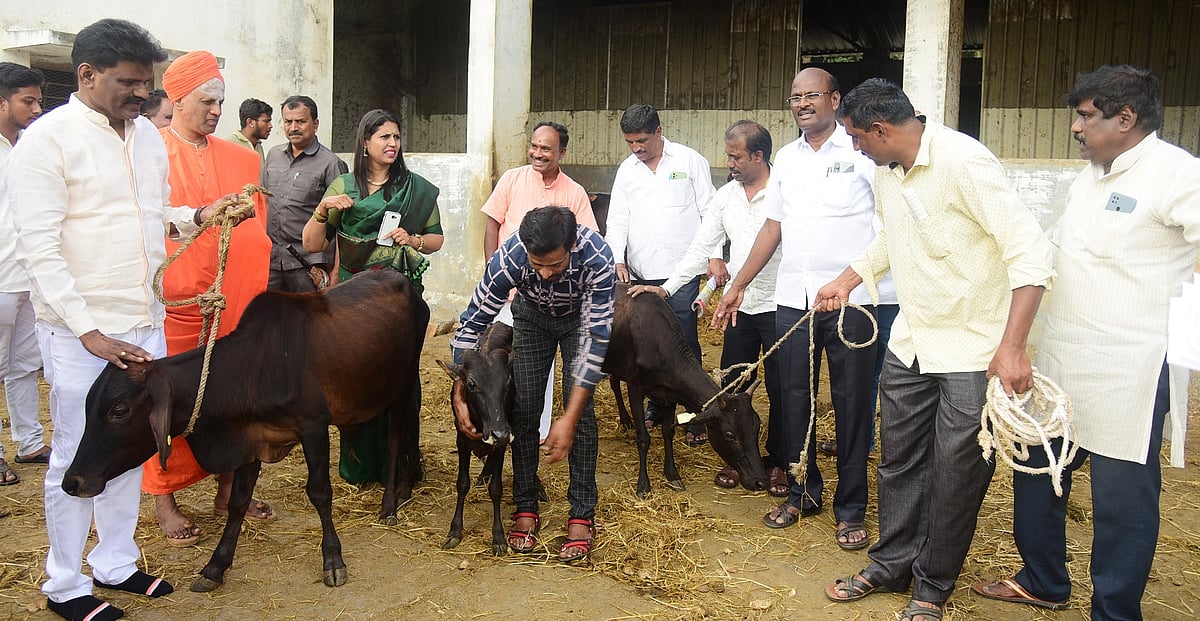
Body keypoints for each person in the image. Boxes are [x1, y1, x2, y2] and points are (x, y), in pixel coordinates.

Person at [4, 18, 247, 621]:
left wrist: (198, 216)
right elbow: (40, 247)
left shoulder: (144, 138)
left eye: (148, 84)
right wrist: (88, 331)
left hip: (144, 320)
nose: (143, 96)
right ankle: (64, 583)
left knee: (133, 447)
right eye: (129, 84)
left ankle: (115, 562)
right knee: (77, 452)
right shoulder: (47, 141)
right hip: (82, 332)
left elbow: (149, 216)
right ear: (86, 76)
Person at [811, 78, 1054, 621]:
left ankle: (933, 585)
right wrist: (849, 279)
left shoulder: (965, 163)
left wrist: (1012, 347)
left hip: (972, 348)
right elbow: (892, 238)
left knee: (956, 472)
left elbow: (1031, 254)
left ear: (880, 129)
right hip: (912, 341)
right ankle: (891, 563)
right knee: (898, 459)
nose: (853, 148)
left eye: (855, 137)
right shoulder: (885, 171)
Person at [972, 65, 1200, 620]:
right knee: (1036, 469)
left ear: (1126, 119)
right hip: (1062, 354)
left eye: (1085, 116)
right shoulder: (1088, 177)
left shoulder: (1178, 175)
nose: (1076, 127)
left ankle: (1115, 610)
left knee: (1121, 500)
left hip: (1131, 366)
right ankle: (1044, 579)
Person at [713, 69, 896, 551]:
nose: (802, 104)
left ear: (835, 99)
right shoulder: (787, 161)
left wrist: (850, 280)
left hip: (852, 302)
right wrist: (738, 284)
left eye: (812, 95)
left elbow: (887, 228)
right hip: (793, 300)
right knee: (793, 398)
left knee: (852, 404)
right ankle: (801, 491)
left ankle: (851, 506)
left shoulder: (862, 153)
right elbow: (772, 228)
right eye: (795, 97)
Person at [141, 50, 276, 547]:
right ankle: (164, 499)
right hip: (177, 303)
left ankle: (227, 489)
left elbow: (258, 231)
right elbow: (148, 224)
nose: (217, 110)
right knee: (171, 399)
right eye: (206, 100)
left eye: (221, 101)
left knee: (233, 396)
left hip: (235, 299)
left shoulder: (243, 157)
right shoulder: (149, 152)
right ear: (177, 99)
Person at [630, 120, 788, 497]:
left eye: (735, 156)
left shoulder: (784, 191)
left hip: (783, 303)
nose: (729, 163)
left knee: (783, 389)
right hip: (740, 306)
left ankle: (780, 462)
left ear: (758, 156)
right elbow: (701, 247)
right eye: (728, 155)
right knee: (733, 387)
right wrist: (665, 290)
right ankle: (739, 460)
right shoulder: (726, 196)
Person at [450, 206, 615, 563]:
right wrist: (460, 395)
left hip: (579, 322)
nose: (544, 272)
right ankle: (525, 505)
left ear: (572, 245)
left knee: (582, 417)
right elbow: (470, 327)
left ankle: (582, 513)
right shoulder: (509, 258)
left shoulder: (598, 257)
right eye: (536, 264)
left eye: (555, 265)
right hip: (532, 318)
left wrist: (567, 418)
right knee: (524, 407)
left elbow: (595, 345)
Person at [302, 108, 443, 486]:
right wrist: (322, 210)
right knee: (356, 375)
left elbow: (436, 240)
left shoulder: (417, 189)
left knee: (399, 378)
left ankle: (400, 467)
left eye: (396, 137)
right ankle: (360, 467)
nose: (393, 144)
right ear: (365, 143)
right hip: (351, 303)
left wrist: (412, 239)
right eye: (384, 137)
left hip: (398, 304)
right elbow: (312, 243)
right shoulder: (343, 188)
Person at [605, 102, 716, 444]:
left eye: (642, 141)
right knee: (647, 349)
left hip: (681, 274)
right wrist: (617, 259)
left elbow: (710, 211)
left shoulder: (689, 160)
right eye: (630, 143)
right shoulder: (627, 171)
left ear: (659, 131)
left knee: (682, 344)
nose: (636, 149)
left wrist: (714, 257)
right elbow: (618, 219)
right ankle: (657, 406)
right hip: (639, 273)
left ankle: (697, 414)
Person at [481, 120, 597, 442]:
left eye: (546, 148)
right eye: (534, 146)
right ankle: (503, 424)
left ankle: (541, 432)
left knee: (541, 367)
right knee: (505, 362)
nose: (537, 153)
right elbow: (492, 227)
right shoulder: (511, 180)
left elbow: (587, 244)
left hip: (555, 300)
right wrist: (495, 272)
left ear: (562, 152)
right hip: (510, 294)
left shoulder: (573, 193)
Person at [0, 62, 49, 486]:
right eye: (27, 101)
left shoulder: (32, 147)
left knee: (24, 365)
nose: (36, 108)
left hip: (29, 275)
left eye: (37, 100)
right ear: (1, 102)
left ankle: (30, 442)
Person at [263, 95, 347, 292]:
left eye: (301, 121)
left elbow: (342, 224)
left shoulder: (331, 163)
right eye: (288, 122)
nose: (293, 128)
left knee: (309, 321)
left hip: (308, 265)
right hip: (272, 260)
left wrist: (336, 270)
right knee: (270, 319)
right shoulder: (273, 155)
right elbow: (264, 203)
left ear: (315, 124)